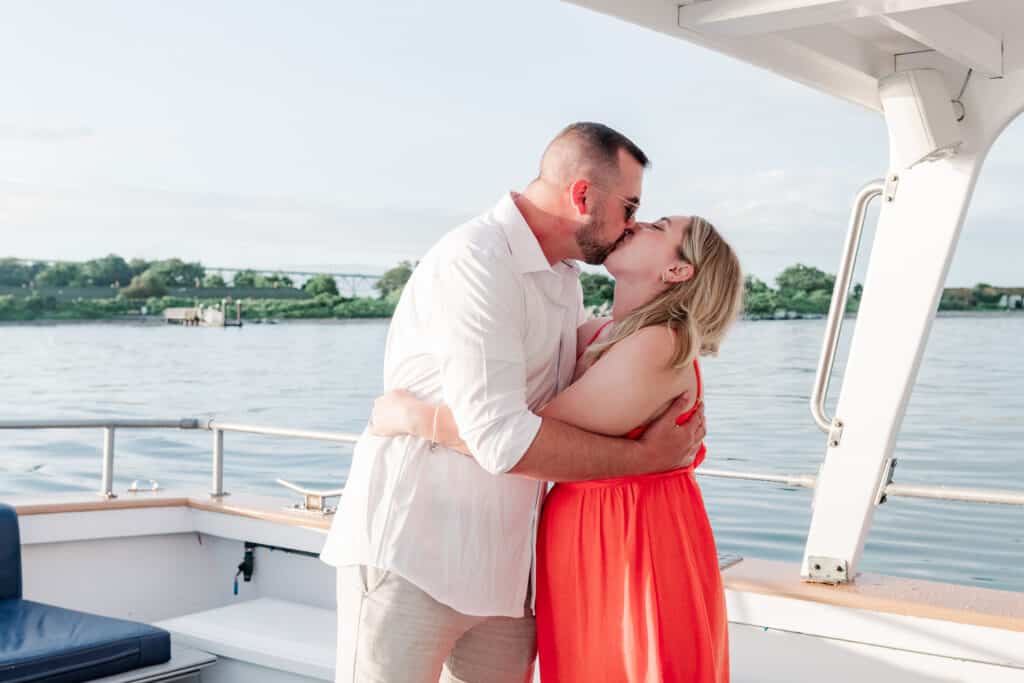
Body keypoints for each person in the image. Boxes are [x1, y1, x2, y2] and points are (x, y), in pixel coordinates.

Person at [371, 214, 743, 682]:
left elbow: (523, 439)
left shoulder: (658, 344)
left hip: (633, 542)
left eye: (659, 226)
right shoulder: (604, 334)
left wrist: (414, 419)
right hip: (597, 538)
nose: (638, 222)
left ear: (678, 271)